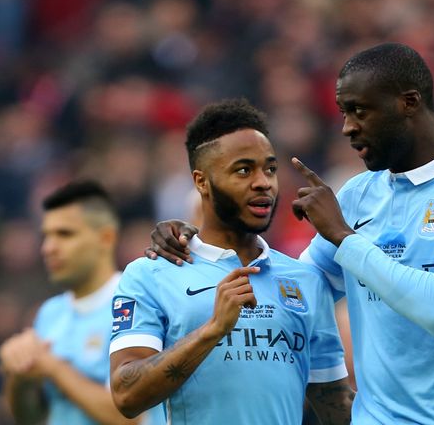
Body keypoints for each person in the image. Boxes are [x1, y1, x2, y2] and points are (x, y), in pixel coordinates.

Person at [150, 43, 434, 424]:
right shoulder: (359, 194)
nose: (347, 128)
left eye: (359, 111)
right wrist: (202, 241)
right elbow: (293, 288)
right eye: (342, 112)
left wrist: (342, 235)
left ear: (409, 102)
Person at [109, 99, 352, 424]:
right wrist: (213, 330)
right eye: (243, 170)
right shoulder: (151, 273)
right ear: (201, 181)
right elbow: (126, 395)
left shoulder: (305, 280)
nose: (263, 182)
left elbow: (335, 405)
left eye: (270, 169)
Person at [0, 181, 165, 425]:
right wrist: (19, 374)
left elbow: (131, 416)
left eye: (65, 234)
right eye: (46, 236)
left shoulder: (135, 303)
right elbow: (31, 417)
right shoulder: (49, 313)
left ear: (105, 238)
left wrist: (54, 368)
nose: (48, 248)